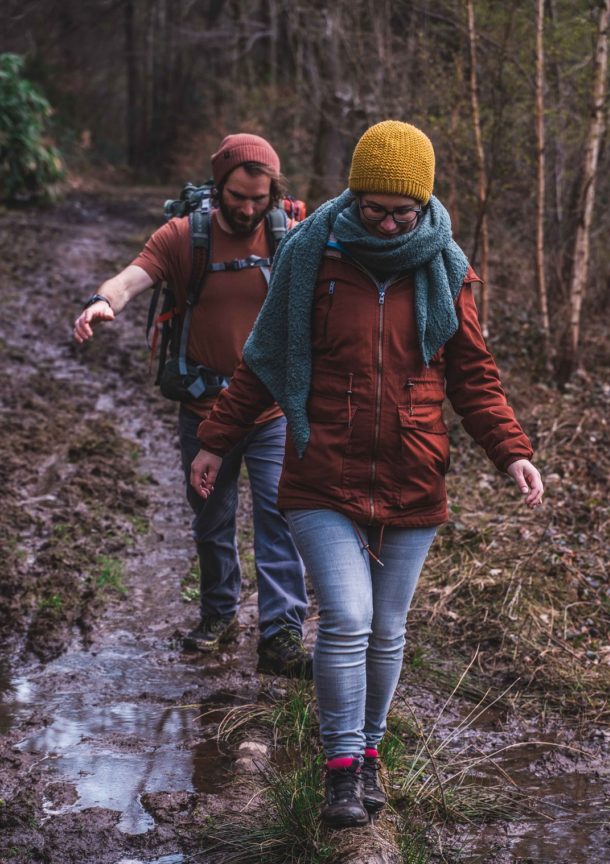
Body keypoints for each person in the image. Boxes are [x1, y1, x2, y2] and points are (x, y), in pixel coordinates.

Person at [190, 120, 544, 827]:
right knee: (346, 619)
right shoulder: (311, 257)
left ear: (423, 205)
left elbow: (471, 374)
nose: (385, 224)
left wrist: (510, 450)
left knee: (386, 629)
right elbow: (266, 360)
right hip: (322, 470)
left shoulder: (445, 268)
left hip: (414, 476)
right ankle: (341, 766)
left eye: (400, 213)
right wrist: (215, 439)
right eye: (373, 208)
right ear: (353, 197)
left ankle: (370, 751)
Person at [73, 133, 310, 678]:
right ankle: (219, 614)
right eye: (238, 196)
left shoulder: (289, 235)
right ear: (218, 185)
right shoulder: (184, 237)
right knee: (212, 521)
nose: (249, 208)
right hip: (205, 410)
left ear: (274, 191)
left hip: (272, 411)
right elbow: (132, 278)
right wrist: (102, 302)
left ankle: (281, 636)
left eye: (260, 198)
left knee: (279, 520)